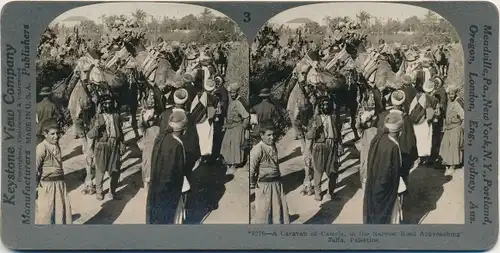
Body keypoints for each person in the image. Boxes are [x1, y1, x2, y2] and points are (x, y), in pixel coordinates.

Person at [146, 110, 190, 224]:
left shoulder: (162, 138)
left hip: (157, 188)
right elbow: (175, 172)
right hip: (169, 192)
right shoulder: (177, 145)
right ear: (183, 128)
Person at [364, 112, 406, 224]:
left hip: (375, 187)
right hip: (385, 190)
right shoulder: (392, 146)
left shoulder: (380, 138)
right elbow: (388, 173)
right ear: (399, 131)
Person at [250, 122, 290, 224]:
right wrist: (253, 185)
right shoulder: (257, 150)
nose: (272, 138)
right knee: (265, 214)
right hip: (264, 186)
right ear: (261, 135)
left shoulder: (273, 146)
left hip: (276, 184)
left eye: (273, 135)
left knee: (278, 213)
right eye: (269, 135)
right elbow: (251, 170)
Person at [87, 95, 124, 200]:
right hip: (102, 146)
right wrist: (96, 127)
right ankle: (99, 191)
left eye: (110, 102)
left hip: (114, 145)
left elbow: (120, 132)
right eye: (106, 103)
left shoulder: (116, 116)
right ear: (102, 105)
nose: (108, 105)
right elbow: (90, 134)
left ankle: (112, 192)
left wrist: (122, 144)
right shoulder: (97, 117)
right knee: (100, 170)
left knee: (115, 170)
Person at [35, 119, 72, 224]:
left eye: (57, 133)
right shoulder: (41, 147)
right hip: (47, 186)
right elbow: (34, 168)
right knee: (46, 215)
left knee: (60, 214)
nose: (56, 136)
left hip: (60, 184)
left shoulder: (56, 144)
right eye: (52, 134)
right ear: (45, 134)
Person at [306, 96, 342, 201]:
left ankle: (331, 192)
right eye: (324, 104)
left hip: (332, 145)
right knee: (318, 170)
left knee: (333, 170)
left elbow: (338, 132)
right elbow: (308, 136)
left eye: (327, 104)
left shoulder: (334, 117)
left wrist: (340, 144)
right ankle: (317, 191)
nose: (326, 106)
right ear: (320, 106)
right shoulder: (315, 119)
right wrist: (313, 127)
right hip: (319, 146)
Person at [221, 83, 250, 174]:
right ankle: (229, 164)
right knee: (226, 144)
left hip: (237, 127)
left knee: (234, 146)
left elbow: (246, 116)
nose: (232, 94)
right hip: (230, 127)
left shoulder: (238, 103)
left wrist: (243, 127)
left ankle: (233, 166)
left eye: (234, 93)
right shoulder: (231, 102)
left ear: (237, 92)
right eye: (231, 93)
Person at [408, 79, 438, 165]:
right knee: (427, 140)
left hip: (416, 122)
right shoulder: (433, 99)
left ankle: (420, 158)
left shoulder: (418, 96)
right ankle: (426, 158)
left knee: (419, 139)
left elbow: (411, 108)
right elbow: (430, 114)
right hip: (425, 122)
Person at [139, 88, 163, 190]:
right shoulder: (146, 126)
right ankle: (146, 188)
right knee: (147, 168)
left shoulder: (158, 122)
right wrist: (145, 116)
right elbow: (141, 124)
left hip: (155, 147)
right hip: (149, 148)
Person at [190, 78, 217, 163]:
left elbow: (192, 108)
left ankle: (199, 157)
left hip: (198, 120)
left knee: (199, 138)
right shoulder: (213, 98)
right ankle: (206, 157)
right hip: (207, 121)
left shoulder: (198, 95)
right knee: (207, 139)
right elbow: (212, 114)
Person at [440, 85, 464, 176]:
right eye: (449, 94)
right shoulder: (449, 101)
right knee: (445, 144)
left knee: (454, 146)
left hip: (456, 127)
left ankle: (453, 166)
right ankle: (446, 162)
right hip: (449, 127)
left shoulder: (458, 102)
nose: (451, 96)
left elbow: (463, 116)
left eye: (452, 94)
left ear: (456, 93)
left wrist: (461, 128)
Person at [355, 110, 378, 190]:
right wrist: (358, 117)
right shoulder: (365, 131)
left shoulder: (374, 130)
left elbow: (357, 126)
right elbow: (357, 126)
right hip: (368, 157)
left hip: (369, 157)